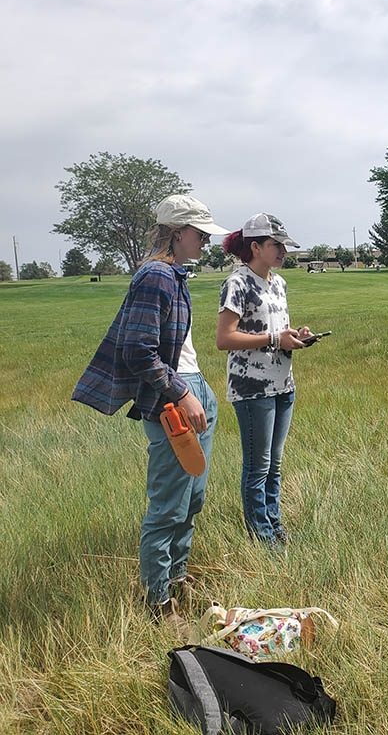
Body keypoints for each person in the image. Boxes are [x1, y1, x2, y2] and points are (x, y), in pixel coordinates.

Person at [72, 194, 229, 630]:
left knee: (191, 500)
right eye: (200, 234)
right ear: (177, 232)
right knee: (168, 507)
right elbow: (137, 350)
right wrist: (182, 393)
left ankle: (178, 581)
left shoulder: (174, 274)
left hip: (193, 391)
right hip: (172, 401)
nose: (206, 242)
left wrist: (198, 391)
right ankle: (159, 604)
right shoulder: (156, 276)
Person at [216, 213, 312, 549]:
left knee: (275, 465)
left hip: (283, 384)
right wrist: (274, 339)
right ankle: (263, 539)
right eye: (276, 245)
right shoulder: (237, 283)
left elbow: (272, 330)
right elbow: (224, 338)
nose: (283, 250)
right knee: (258, 467)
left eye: (284, 245)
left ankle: (275, 525)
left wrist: (295, 335)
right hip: (252, 387)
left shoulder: (278, 283)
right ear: (255, 246)